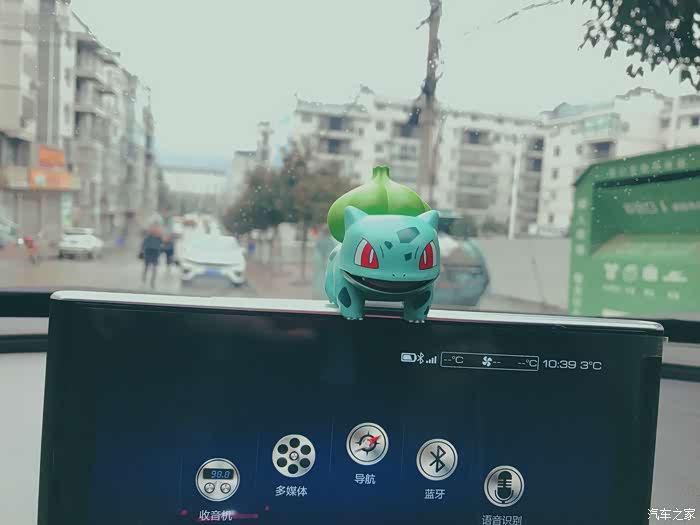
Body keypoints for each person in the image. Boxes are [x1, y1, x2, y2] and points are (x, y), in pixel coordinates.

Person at [140, 224, 162, 289]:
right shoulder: (149, 236)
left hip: (155, 254)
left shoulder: (159, 237)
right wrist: (142, 250)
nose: (155, 231)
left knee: (154, 269)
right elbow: (144, 243)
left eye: (156, 230)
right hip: (148, 253)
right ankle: (144, 279)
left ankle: (152, 281)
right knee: (146, 267)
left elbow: (161, 244)